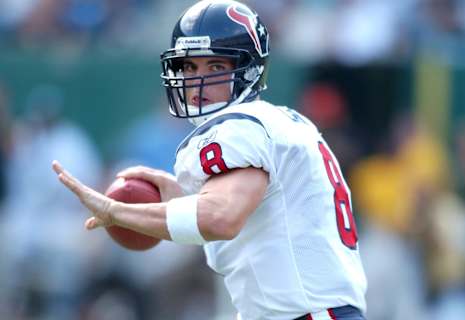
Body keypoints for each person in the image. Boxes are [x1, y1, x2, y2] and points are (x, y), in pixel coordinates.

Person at [52, 1, 367, 319]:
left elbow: (221, 217)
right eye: (189, 67)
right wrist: (184, 196)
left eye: (215, 67)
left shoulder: (240, 126)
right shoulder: (279, 122)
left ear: (249, 71)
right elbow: (257, 212)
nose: (197, 81)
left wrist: (117, 211)